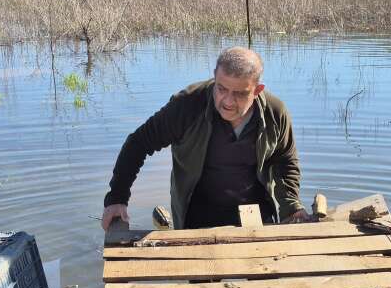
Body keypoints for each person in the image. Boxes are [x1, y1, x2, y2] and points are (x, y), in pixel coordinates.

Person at [101, 47, 309, 230]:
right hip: (198, 215)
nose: (228, 101)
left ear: (257, 90)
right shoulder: (187, 105)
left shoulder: (275, 112)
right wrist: (117, 198)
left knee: (267, 262)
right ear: (214, 77)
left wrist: (291, 206)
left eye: (239, 93)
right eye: (221, 89)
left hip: (256, 212)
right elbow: (138, 143)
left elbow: (286, 161)